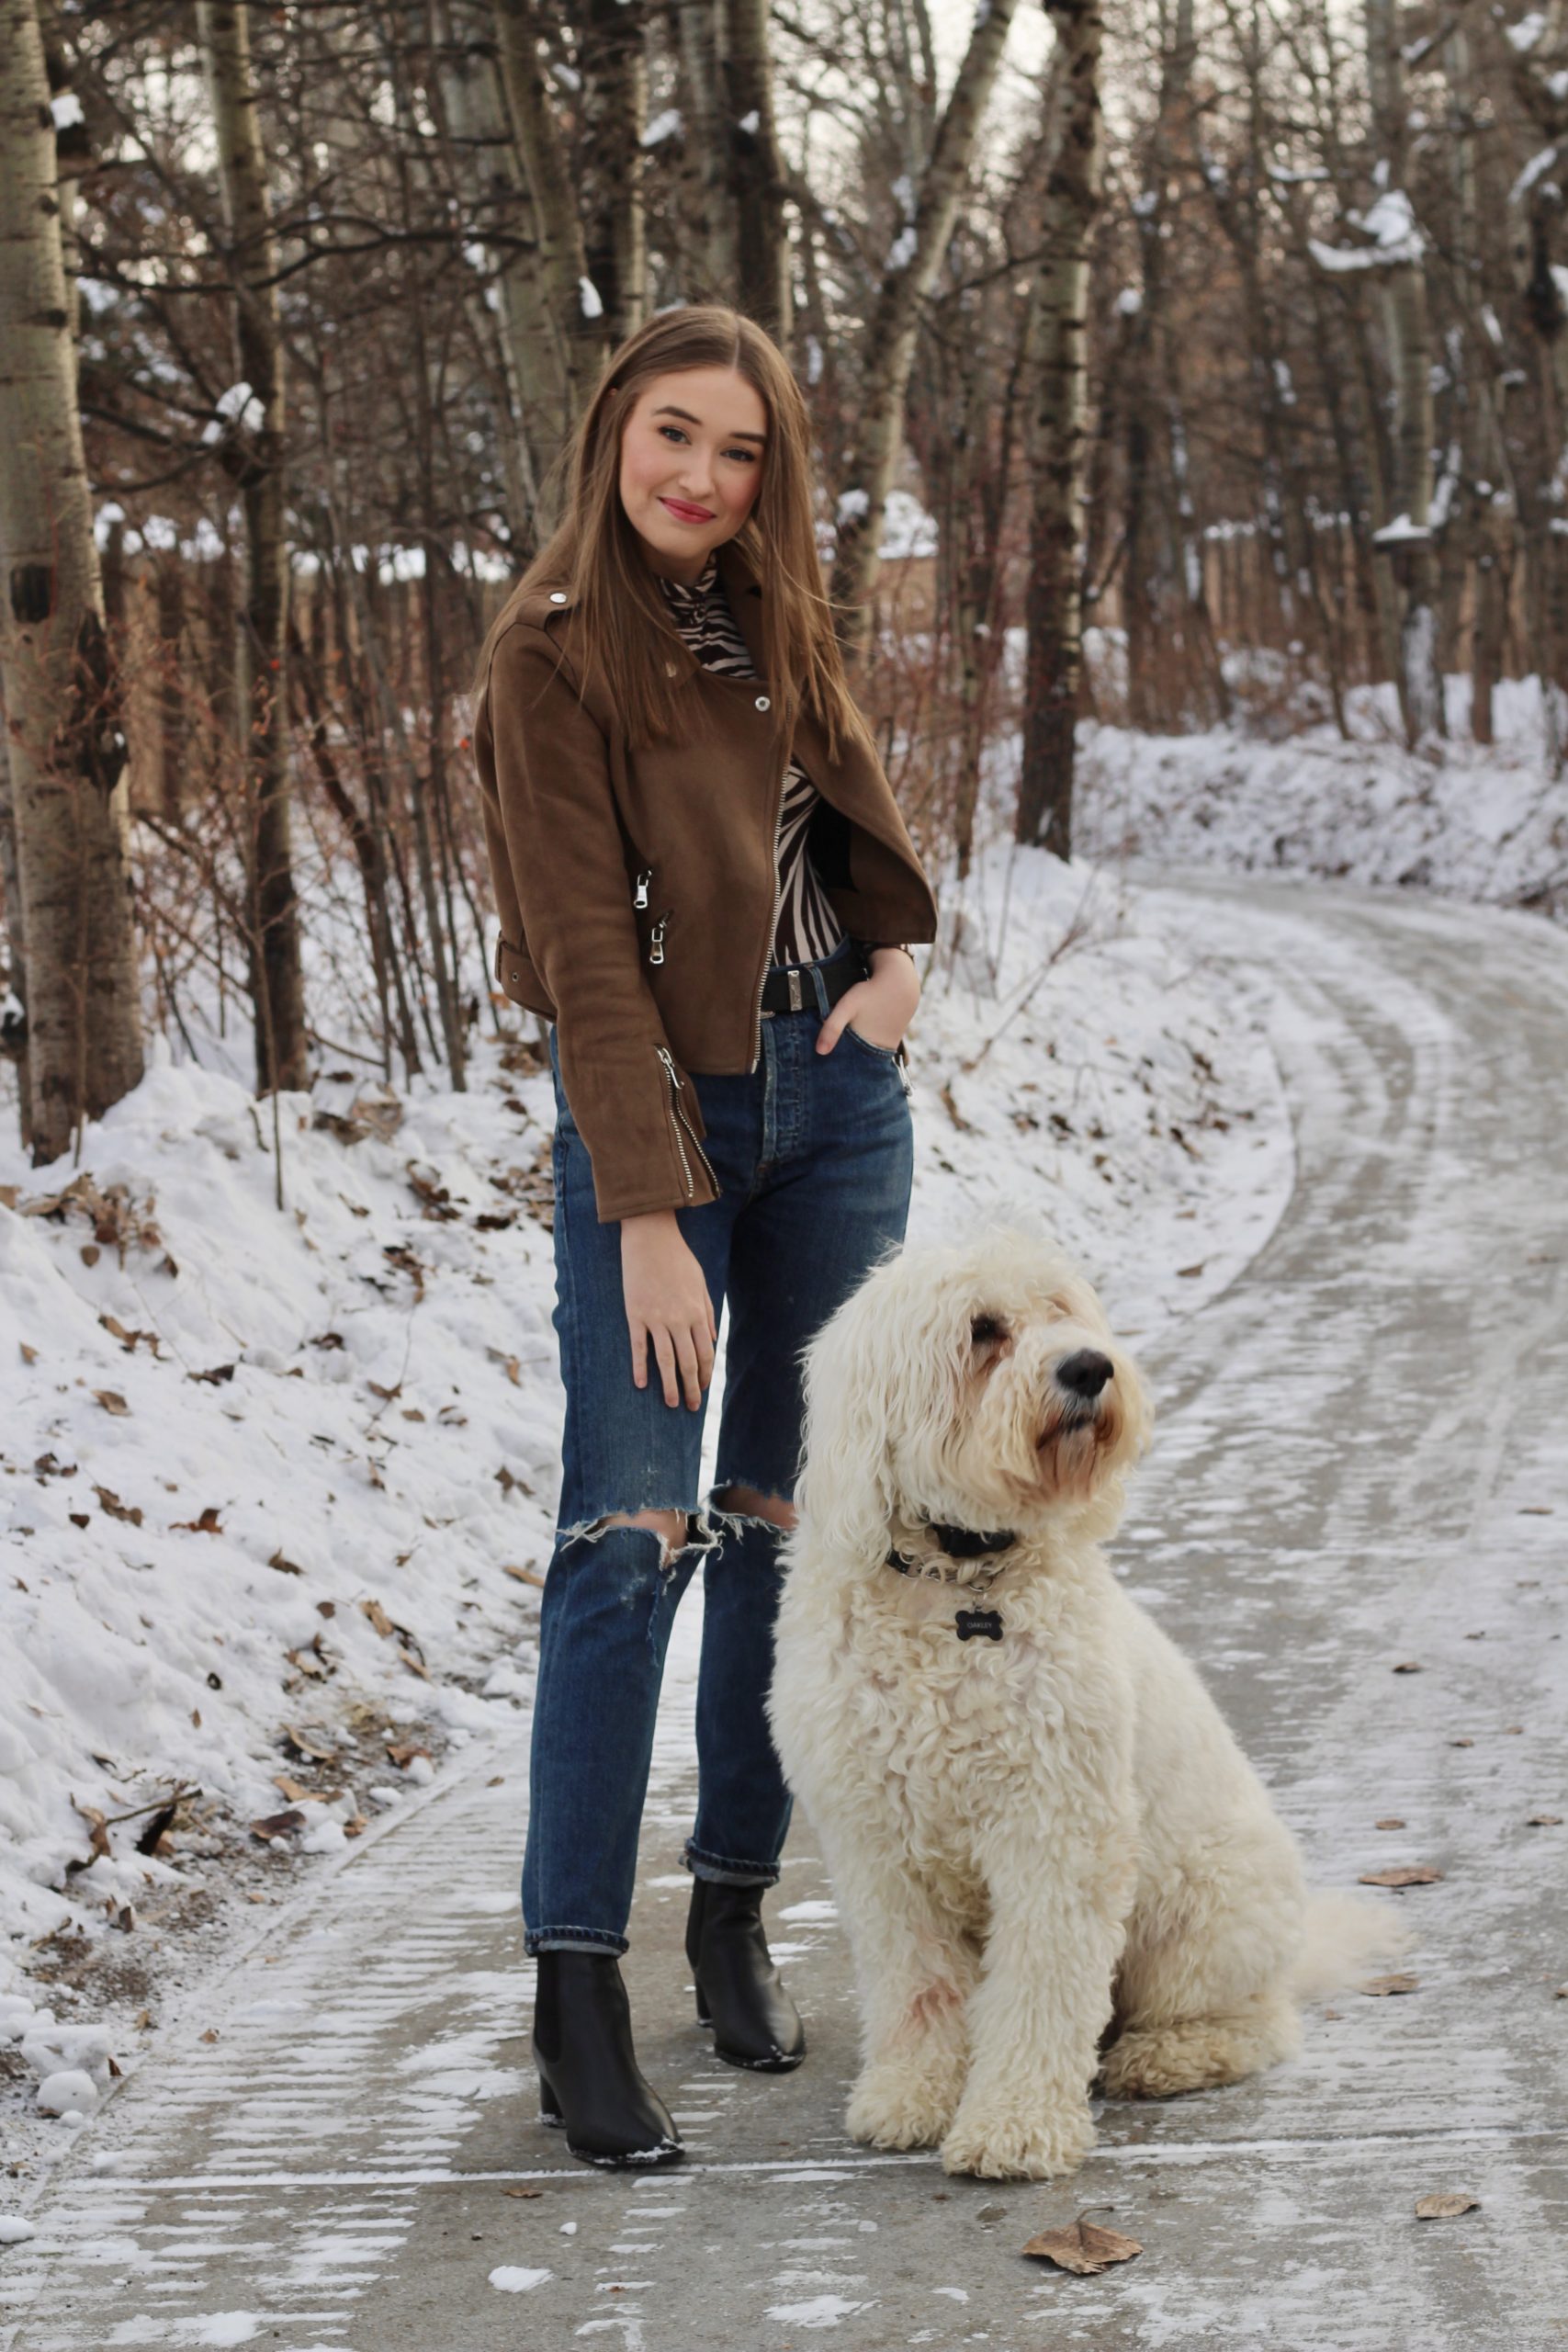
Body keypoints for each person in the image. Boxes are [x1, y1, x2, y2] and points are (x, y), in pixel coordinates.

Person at [472, 306, 938, 2169]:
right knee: (624, 1533)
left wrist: (896, 968)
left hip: (832, 1109)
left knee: (788, 1527)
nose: (699, 475)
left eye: (737, 450)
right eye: (674, 434)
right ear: (611, 432)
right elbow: (587, 955)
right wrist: (644, 1210)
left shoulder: (774, 610)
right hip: (660, 1120)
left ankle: (732, 1903)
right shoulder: (549, 649)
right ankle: (572, 1978)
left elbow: (856, 832)